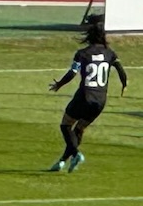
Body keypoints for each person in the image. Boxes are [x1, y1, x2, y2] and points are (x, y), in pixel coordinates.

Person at [47, 13, 127, 173]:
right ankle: (63, 161)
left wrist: (59, 84)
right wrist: (124, 85)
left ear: (89, 36)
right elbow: (121, 71)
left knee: (65, 125)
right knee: (79, 130)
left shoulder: (82, 53)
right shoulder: (110, 53)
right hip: (100, 100)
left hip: (84, 96)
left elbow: (72, 73)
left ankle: (76, 154)